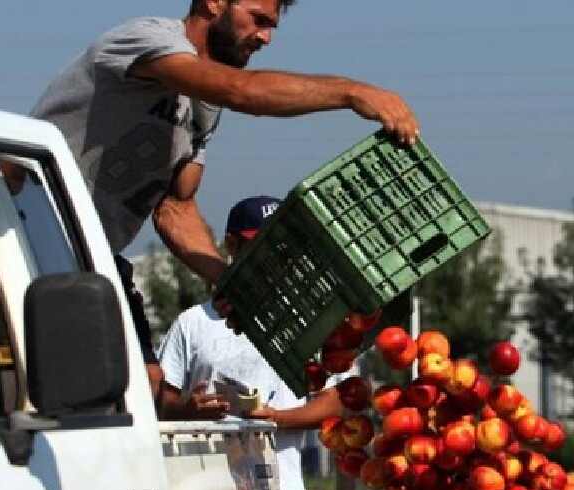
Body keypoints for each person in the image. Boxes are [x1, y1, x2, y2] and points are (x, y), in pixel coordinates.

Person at [28, 0, 419, 398]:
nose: (265, 37)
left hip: (91, 258)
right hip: (21, 237)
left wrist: (230, 282)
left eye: (272, 27)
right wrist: (351, 92)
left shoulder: (204, 107)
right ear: (214, 2)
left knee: (147, 387)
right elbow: (242, 91)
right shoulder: (146, 39)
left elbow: (174, 208)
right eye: (258, 20)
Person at [157, 195, 350, 490]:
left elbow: (336, 401)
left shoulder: (308, 322)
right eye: (258, 246)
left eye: (280, 248)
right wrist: (190, 409)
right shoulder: (193, 323)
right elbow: (163, 403)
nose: (270, 258)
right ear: (231, 245)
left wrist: (277, 419)